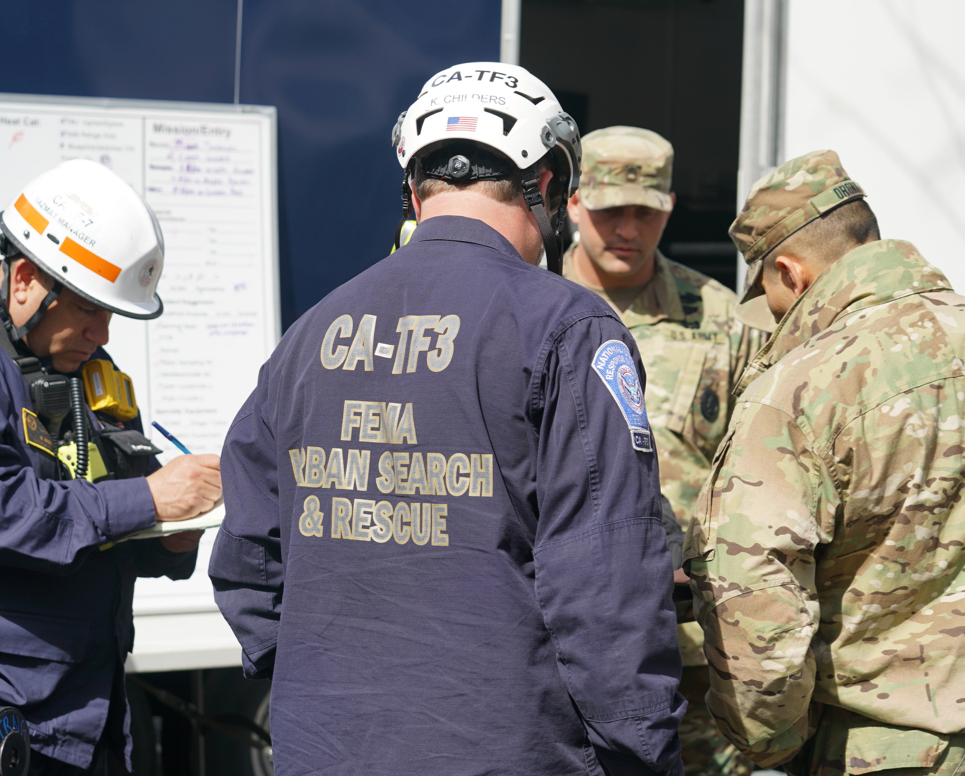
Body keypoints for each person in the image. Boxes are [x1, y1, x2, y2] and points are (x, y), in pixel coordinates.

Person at [210, 62, 686, 776]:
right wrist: (645, 751)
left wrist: (327, 686)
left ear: (413, 189)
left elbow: (247, 559)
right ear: (548, 183)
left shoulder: (310, 333)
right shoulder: (571, 329)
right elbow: (606, 583)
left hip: (325, 748)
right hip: (507, 751)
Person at [683, 150, 965, 775]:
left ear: (790, 273)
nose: (773, 318)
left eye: (768, 297)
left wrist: (772, 741)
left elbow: (750, 582)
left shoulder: (802, 383)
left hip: (877, 752)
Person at [0, 159, 223, 776]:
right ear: (25, 280)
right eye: (89, 309)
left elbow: (103, 523)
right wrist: (151, 501)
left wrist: (171, 538)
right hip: (2, 718)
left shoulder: (87, 373)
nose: (102, 332)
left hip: (92, 713)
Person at [563, 125, 759, 776]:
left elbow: (760, 466)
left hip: (692, 640)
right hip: (567, 628)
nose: (627, 229)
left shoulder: (719, 317)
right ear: (573, 204)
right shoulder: (533, 306)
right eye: (610, 210)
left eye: (644, 212)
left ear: (669, 208)